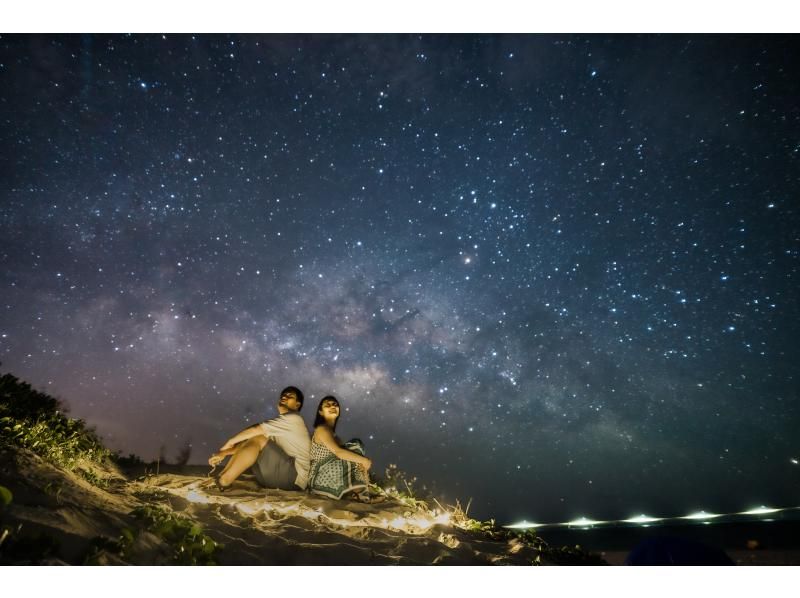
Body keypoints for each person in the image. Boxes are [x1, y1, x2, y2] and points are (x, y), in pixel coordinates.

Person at [208, 386, 310, 491]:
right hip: (276, 478)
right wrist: (224, 453)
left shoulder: (294, 418)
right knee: (254, 438)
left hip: (294, 479)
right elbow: (250, 443)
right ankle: (221, 477)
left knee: (257, 437)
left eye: (290, 396)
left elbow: (255, 430)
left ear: (297, 404)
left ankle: (224, 481)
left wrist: (229, 443)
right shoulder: (280, 424)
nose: (285, 396)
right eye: (283, 395)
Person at [307, 395, 375, 501]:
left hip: (330, 476)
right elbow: (339, 453)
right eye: (327, 405)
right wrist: (364, 460)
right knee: (355, 446)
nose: (332, 406)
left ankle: (362, 493)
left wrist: (363, 466)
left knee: (354, 453)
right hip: (318, 480)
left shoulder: (336, 437)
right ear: (320, 411)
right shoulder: (321, 429)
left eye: (335, 404)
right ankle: (360, 493)